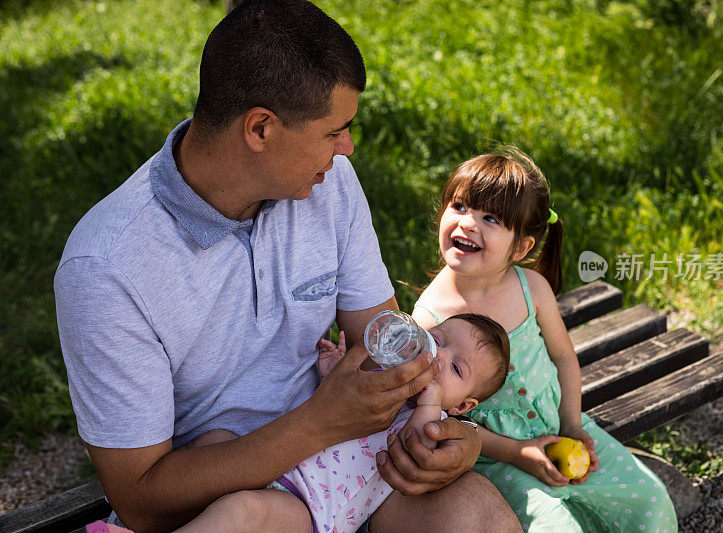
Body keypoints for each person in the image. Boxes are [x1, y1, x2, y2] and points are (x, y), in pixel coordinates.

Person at [54, 1, 520, 532]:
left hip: (349, 472)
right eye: (333, 131)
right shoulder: (107, 268)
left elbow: (385, 341)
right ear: (260, 128)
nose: (346, 149)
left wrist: (463, 441)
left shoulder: (328, 183)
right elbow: (140, 498)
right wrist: (317, 425)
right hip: (224, 504)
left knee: (479, 518)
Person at [411, 148, 679, 532]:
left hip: (561, 426)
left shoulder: (530, 288)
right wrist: (517, 452)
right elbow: (443, 414)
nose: (467, 223)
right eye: (459, 206)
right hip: (496, 457)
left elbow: (564, 358)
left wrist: (572, 424)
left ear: (522, 248)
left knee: (649, 504)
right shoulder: (430, 319)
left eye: (490, 218)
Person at [173, 313, 511, 532]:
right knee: (214, 441)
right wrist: (331, 375)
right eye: (437, 340)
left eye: (455, 368)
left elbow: (415, 447)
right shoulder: (386, 379)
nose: (438, 358)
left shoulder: (432, 416)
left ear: (463, 405)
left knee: (244, 511)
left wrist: (430, 399)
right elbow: (335, 413)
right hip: (276, 464)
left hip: (312, 512)